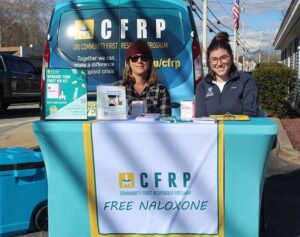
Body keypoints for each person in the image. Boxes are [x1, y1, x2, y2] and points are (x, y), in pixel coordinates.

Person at [195, 32, 258, 117]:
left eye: (223, 57)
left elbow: (250, 116)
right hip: (211, 130)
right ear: (209, 62)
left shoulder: (247, 81)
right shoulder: (202, 87)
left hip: (240, 130)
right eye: (214, 59)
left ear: (231, 58)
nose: (219, 63)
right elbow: (201, 120)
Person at [122, 39, 171, 116]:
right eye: (134, 58)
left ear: (150, 62)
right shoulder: (117, 88)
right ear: (128, 63)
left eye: (144, 57)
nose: (139, 61)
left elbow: (165, 122)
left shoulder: (161, 91)